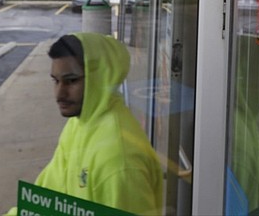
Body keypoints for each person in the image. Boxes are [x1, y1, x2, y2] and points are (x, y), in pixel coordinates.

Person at [28, 32, 163, 214]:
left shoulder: (119, 160)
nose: (59, 94)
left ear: (100, 78)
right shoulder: (80, 123)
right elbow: (47, 195)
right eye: (56, 81)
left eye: (71, 81)